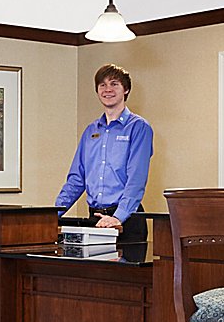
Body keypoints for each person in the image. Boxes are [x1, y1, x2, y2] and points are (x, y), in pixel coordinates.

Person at [55, 64, 154, 242]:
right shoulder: (91, 131)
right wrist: (53, 214)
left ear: (126, 89)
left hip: (126, 220)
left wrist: (118, 217)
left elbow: (136, 179)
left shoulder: (139, 127)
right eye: (102, 85)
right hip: (95, 220)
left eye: (114, 84)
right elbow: (77, 179)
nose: (108, 89)